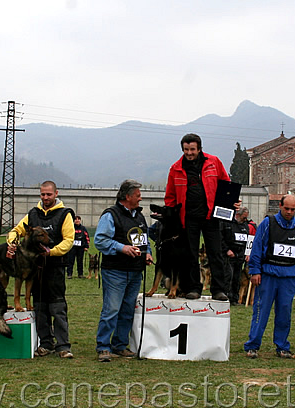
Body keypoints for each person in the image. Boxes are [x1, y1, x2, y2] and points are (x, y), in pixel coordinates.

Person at [8, 181, 75, 359]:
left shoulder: (64, 214)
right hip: (35, 268)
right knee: (39, 306)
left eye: (49, 195)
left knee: (57, 307)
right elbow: (16, 230)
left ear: (56, 193)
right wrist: (12, 242)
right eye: (43, 194)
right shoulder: (32, 214)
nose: (46, 198)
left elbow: (69, 240)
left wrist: (51, 252)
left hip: (56, 266)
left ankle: (63, 346)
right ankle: (46, 343)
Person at [244, 195, 295, 359]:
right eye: (286, 209)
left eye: (292, 209)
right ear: (280, 206)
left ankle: (282, 346)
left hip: (288, 277)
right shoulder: (267, 224)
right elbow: (256, 248)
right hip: (267, 276)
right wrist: (255, 271)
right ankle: (252, 346)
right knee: (261, 312)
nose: (289, 212)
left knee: (284, 312)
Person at [164, 133, 234, 301]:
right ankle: (194, 288)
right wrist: (171, 219)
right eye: (186, 149)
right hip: (188, 219)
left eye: (192, 149)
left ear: (199, 148)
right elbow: (170, 197)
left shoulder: (213, 162)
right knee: (190, 254)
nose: (189, 153)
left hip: (211, 216)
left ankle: (218, 290)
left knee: (215, 253)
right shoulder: (175, 168)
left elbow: (226, 184)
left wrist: (231, 203)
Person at [94, 179, 152, 362]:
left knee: (127, 310)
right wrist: (122, 248)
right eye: (137, 195)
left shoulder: (140, 217)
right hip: (115, 272)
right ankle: (103, 347)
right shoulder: (110, 215)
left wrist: (147, 253)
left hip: (135, 272)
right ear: (127, 196)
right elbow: (100, 241)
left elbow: (144, 240)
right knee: (111, 310)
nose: (140, 199)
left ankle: (119, 345)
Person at [221, 206, 251, 305]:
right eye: (244, 217)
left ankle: (235, 298)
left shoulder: (245, 226)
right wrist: (227, 250)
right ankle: (226, 295)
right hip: (229, 255)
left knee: (237, 278)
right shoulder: (227, 224)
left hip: (240, 256)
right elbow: (221, 238)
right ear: (237, 215)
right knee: (228, 276)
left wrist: (247, 253)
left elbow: (248, 241)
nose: (245, 220)